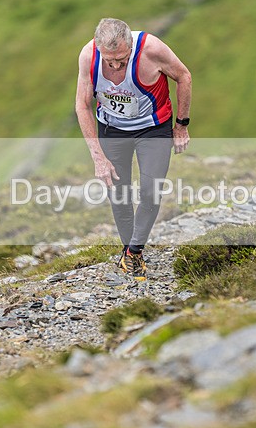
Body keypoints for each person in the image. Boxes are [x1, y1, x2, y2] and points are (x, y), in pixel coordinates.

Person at [74, 18, 192, 281]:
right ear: (99, 48)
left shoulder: (152, 49)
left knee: (151, 190)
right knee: (118, 193)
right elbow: (82, 105)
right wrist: (98, 157)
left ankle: (134, 250)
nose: (116, 65)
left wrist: (181, 125)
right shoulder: (88, 56)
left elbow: (184, 76)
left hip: (153, 128)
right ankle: (130, 252)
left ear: (131, 45)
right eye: (110, 61)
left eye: (122, 59)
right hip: (113, 129)